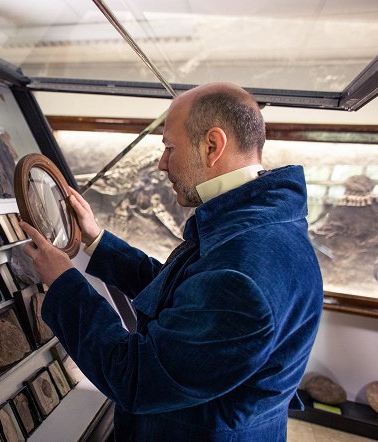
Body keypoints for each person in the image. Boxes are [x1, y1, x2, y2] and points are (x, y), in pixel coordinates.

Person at [20, 82, 323, 441]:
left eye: (169, 148)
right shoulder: (254, 222)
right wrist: (96, 241)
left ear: (213, 146)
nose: (163, 164)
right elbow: (186, 295)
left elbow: (136, 378)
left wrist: (65, 283)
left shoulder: (243, 272)